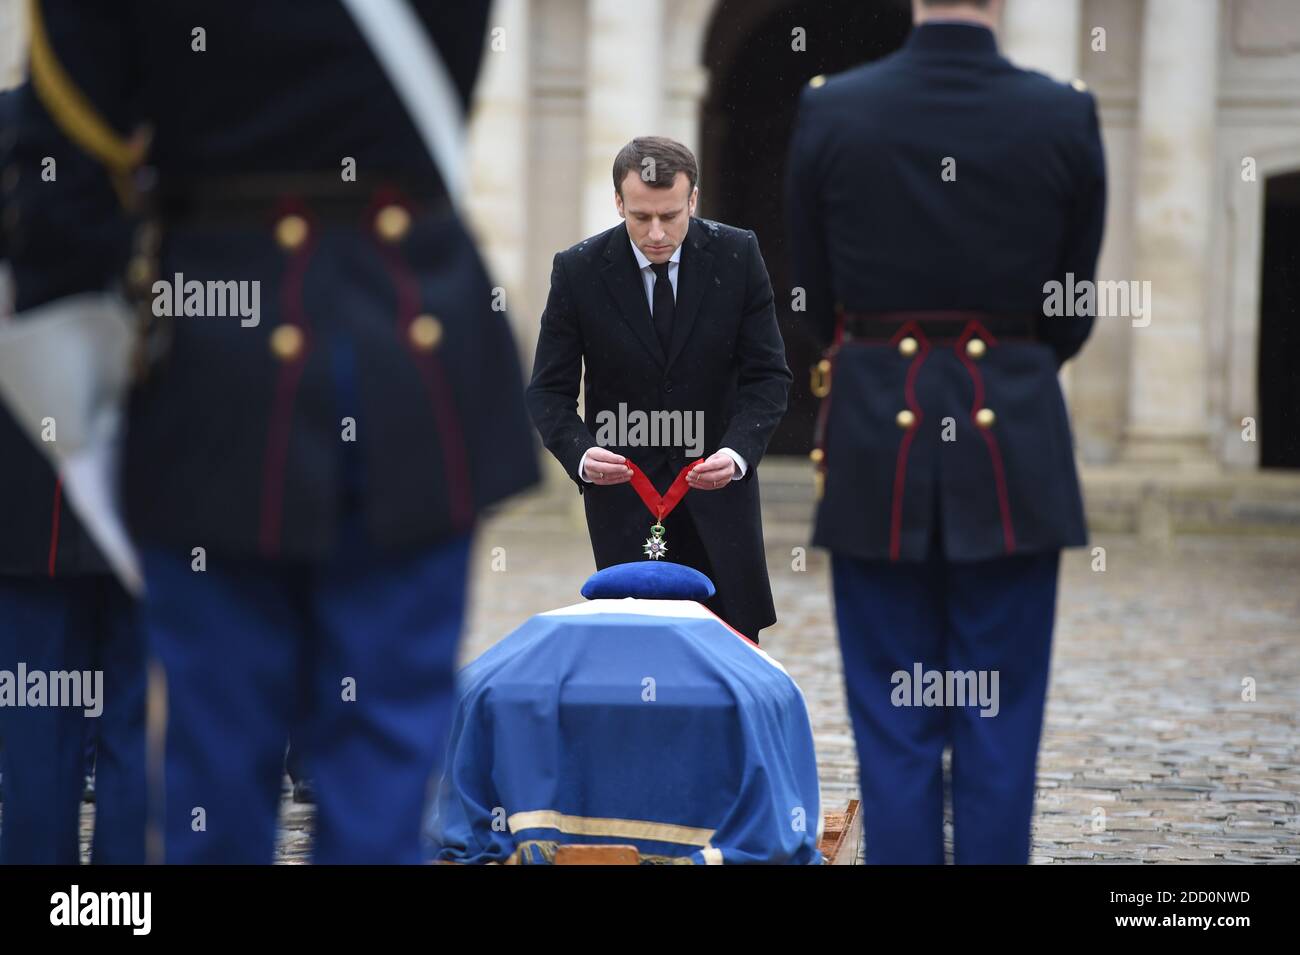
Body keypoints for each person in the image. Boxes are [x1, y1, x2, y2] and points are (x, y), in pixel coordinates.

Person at [4, 0, 538, 863]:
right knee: (385, 763)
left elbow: (62, 187)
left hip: (218, 374)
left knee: (213, 767)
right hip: (416, 357)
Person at [786, 0, 1105, 863]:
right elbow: (1070, 305)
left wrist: (878, 357)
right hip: (1013, 438)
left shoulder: (832, 105)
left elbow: (811, 293)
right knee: (1001, 728)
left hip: (874, 440)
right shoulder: (1064, 110)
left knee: (893, 725)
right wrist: (1008, 361)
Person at [526, 136, 791, 642]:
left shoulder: (738, 255)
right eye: (641, 217)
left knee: (730, 645)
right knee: (633, 646)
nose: (656, 234)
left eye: (670, 216)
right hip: (623, 497)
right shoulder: (578, 269)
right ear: (618, 202)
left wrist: (738, 452)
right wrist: (581, 455)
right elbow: (548, 392)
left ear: (693, 200)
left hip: (720, 488)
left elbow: (768, 376)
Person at [0, 86, 147, 865]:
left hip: (37, 497)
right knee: (134, 731)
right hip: (149, 494)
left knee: (41, 730)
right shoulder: (190, 123)